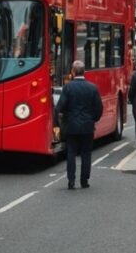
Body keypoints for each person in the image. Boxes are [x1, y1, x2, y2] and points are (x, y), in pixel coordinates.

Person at [55, 61, 103, 189]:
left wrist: (63, 116)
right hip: (87, 126)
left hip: (71, 126)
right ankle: (84, 181)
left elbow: (60, 107)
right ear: (84, 72)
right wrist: (93, 119)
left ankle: (71, 181)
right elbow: (99, 108)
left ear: (73, 72)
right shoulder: (93, 88)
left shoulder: (68, 87)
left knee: (71, 153)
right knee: (86, 154)